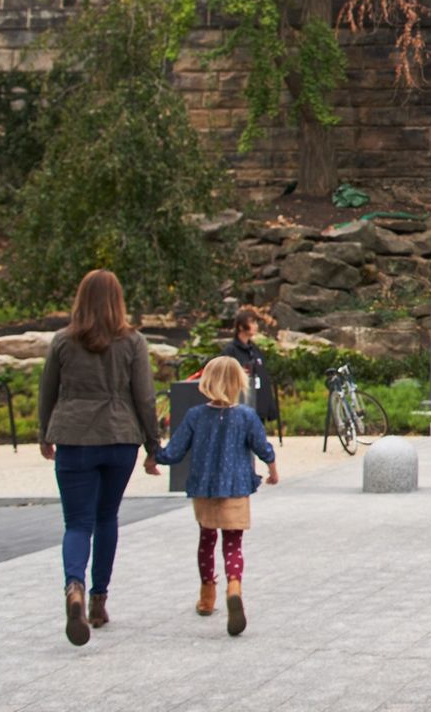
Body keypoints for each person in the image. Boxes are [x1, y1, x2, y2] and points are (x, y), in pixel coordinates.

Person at [37, 269, 163, 647]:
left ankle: (73, 585)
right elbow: (144, 396)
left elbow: (48, 390)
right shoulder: (133, 341)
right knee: (107, 516)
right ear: (118, 300)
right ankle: (98, 600)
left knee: (77, 522)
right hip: (120, 437)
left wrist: (45, 434)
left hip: (74, 437)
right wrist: (153, 445)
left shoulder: (62, 341)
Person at [152, 356, 279, 637]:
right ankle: (234, 586)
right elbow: (261, 445)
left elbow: (175, 451)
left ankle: (207, 595)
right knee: (233, 543)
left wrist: (154, 458)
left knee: (207, 541)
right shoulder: (246, 416)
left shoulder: (196, 416)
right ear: (239, 383)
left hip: (205, 488)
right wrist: (272, 468)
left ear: (206, 383)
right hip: (236, 486)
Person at [219, 307, 278, 432]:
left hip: (258, 400)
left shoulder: (255, 350)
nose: (256, 326)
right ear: (241, 327)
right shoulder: (230, 350)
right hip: (239, 402)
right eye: (252, 322)